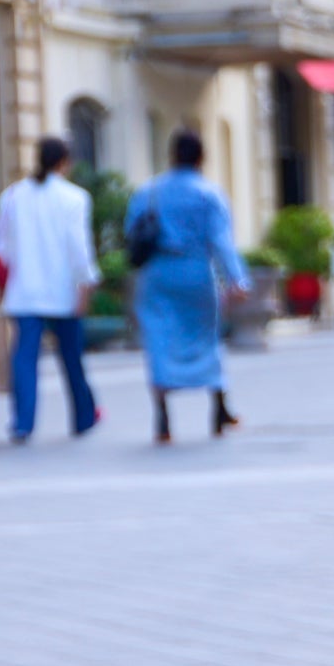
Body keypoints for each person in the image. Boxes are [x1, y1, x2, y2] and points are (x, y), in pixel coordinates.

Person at [128, 125, 247, 445]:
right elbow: (221, 240)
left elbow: (131, 230)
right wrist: (236, 280)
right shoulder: (209, 194)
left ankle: (163, 420)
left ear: (171, 156)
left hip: (157, 274)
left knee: (159, 342)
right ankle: (218, 409)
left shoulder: (148, 192)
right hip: (196, 273)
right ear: (202, 157)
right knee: (206, 340)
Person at [0, 135, 100, 446]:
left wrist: (2, 288)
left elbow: (2, 249)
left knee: (24, 358)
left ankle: (22, 422)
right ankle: (82, 417)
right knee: (71, 356)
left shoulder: (12, 196)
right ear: (65, 162)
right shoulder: (75, 198)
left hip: (24, 291)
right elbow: (80, 248)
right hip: (62, 290)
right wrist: (87, 282)